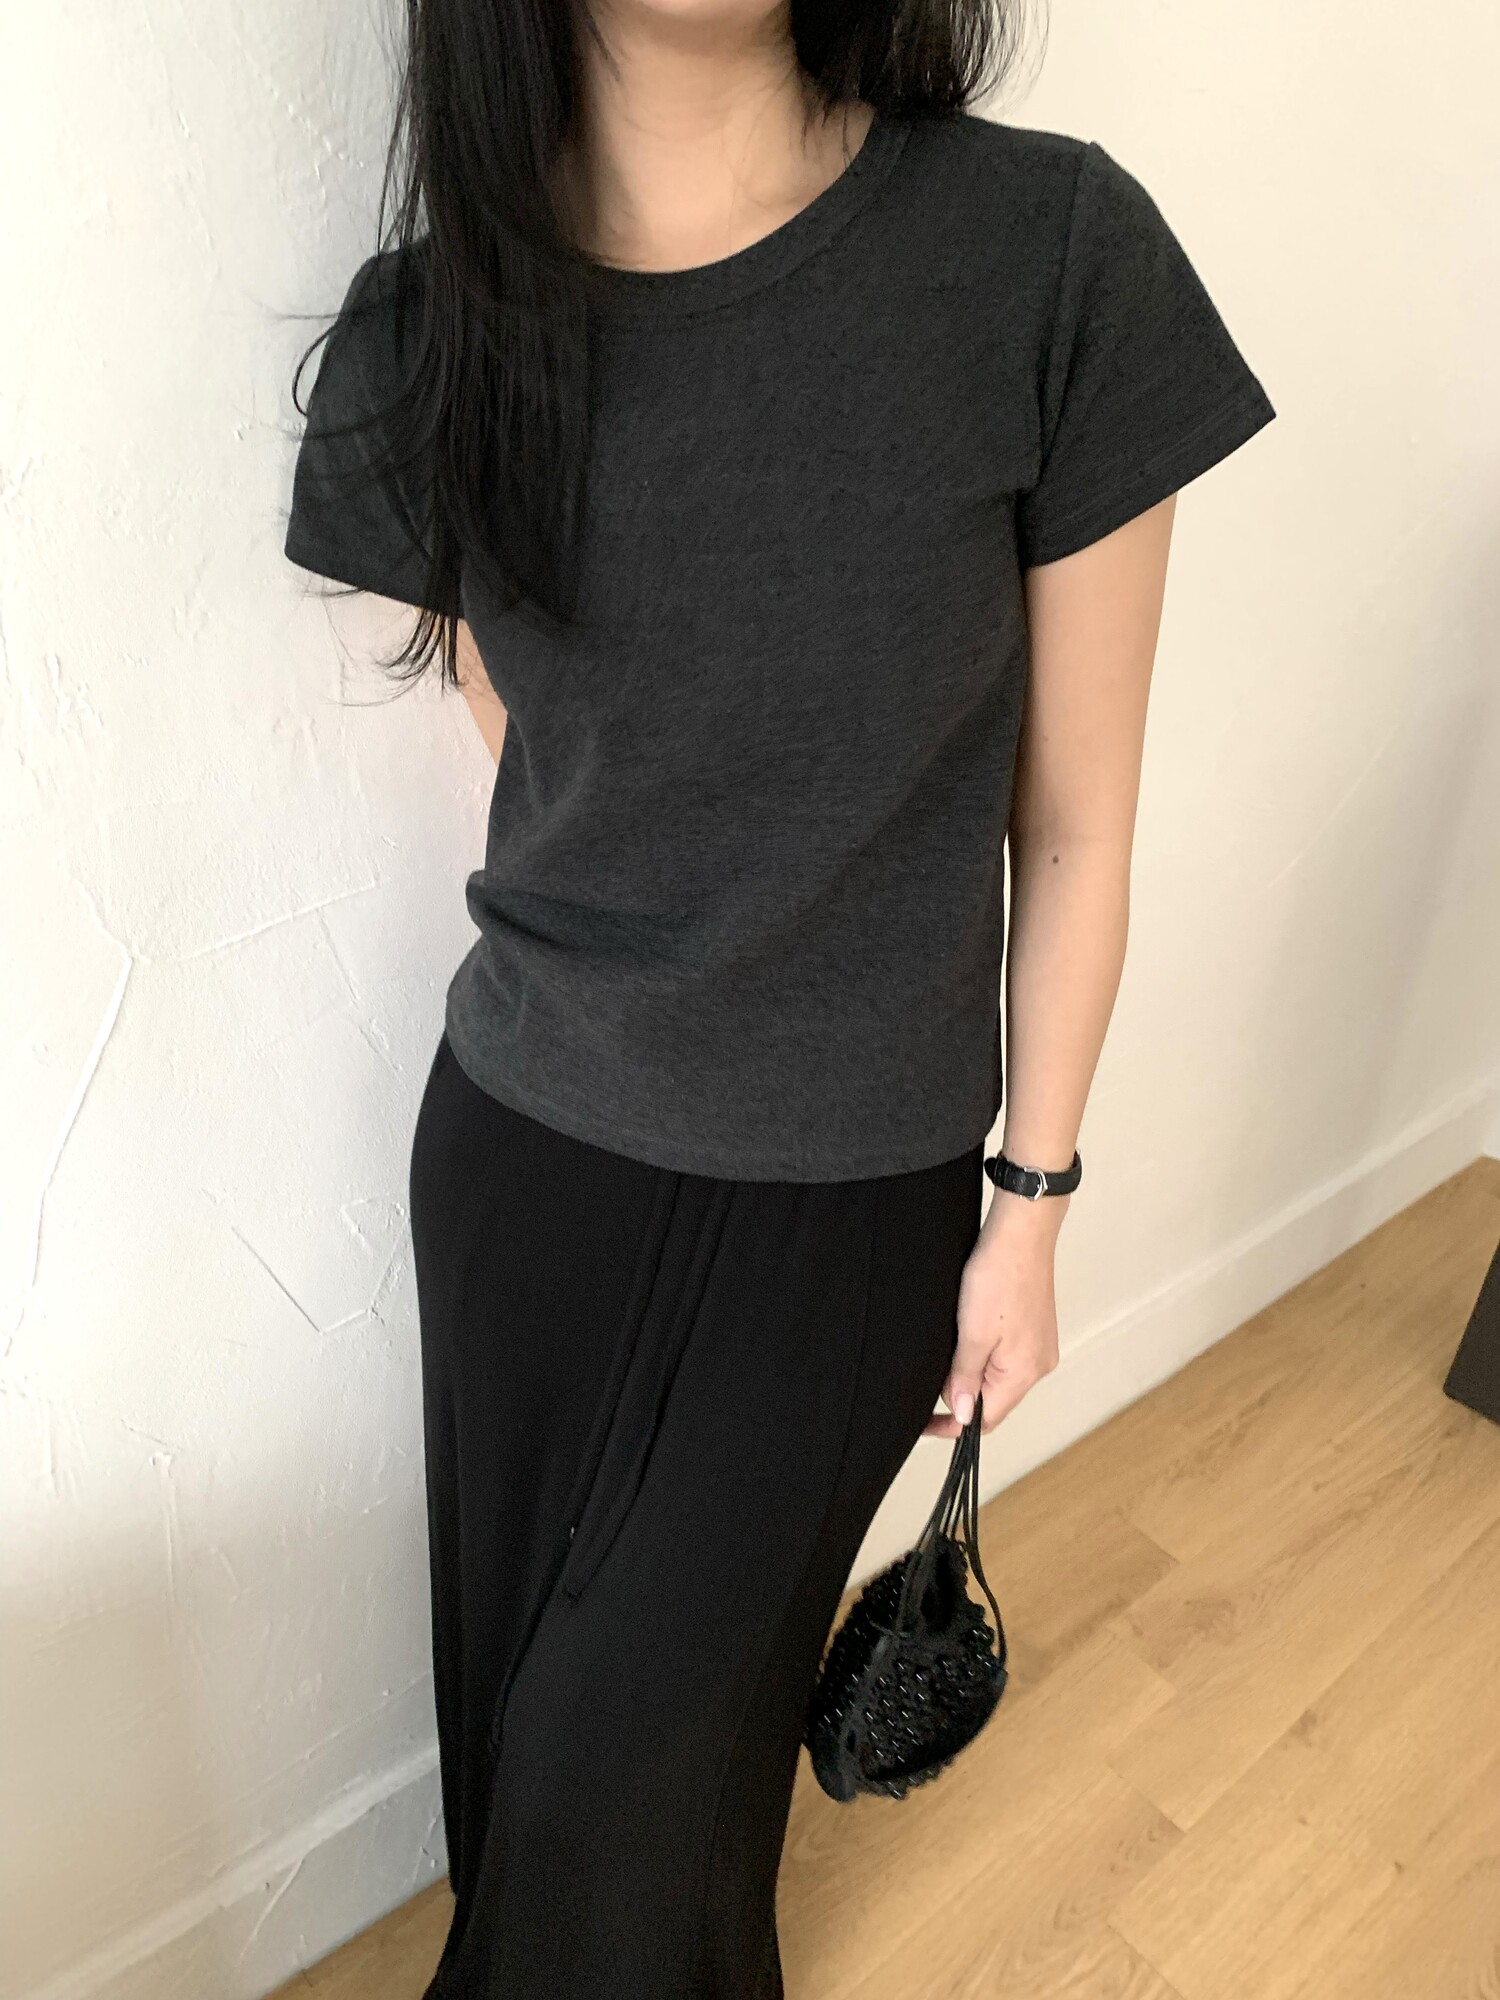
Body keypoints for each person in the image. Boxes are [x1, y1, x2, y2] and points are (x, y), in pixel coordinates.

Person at [282, 0, 1276, 1990]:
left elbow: (1077, 825)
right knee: (531, 1771)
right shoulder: (426, 331)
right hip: (523, 1169)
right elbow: (541, 736)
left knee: (611, 1839)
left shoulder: (1045, 258)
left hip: (842, 1212)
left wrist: (1032, 1207)